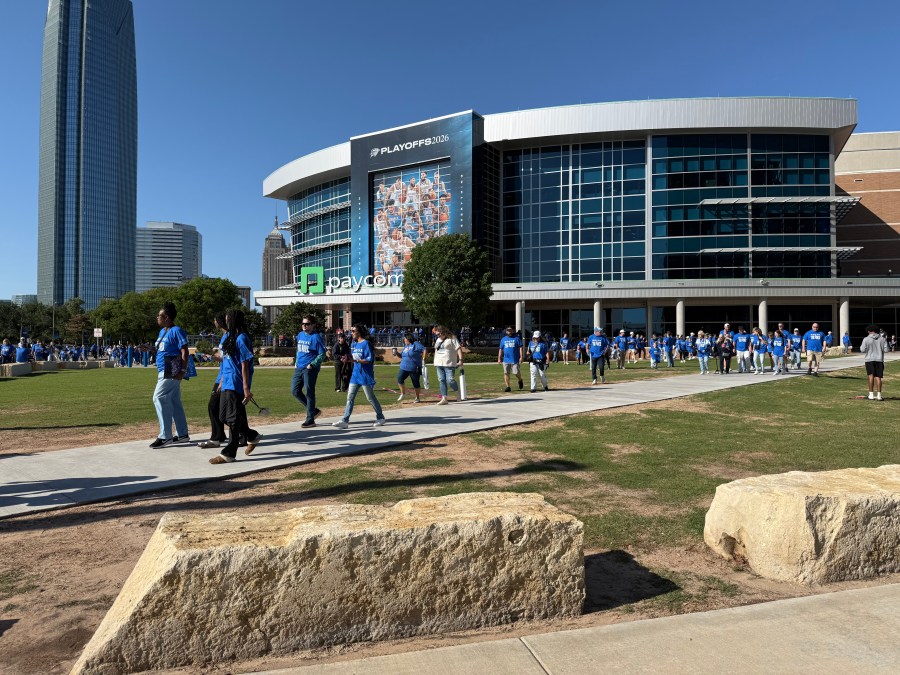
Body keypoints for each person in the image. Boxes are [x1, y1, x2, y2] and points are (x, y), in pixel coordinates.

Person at [209, 309, 261, 464]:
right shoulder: (229, 337)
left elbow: (245, 364)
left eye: (227, 318)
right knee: (223, 416)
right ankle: (252, 435)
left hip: (237, 382)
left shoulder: (242, 338)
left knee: (232, 418)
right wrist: (222, 380)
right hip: (227, 380)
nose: (226, 321)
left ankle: (229, 453)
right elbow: (227, 360)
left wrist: (246, 388)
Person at [150, 302, 190, 448]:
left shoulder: (177, 330)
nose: (157, 318)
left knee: (158, 397)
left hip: (171, 366)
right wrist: (148, 349)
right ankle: (183, 434)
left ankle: (165, 435)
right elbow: (162, 350)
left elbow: (184, 352)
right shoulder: (162, 332)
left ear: (166, 317)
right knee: (174, 401)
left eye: (159, 315)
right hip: (163, 367)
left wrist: (182, 371)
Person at [332, 325, 386, 428]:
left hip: (365, 375)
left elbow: (369, 360)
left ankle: (380, 417)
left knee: (370, 398)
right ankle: (345, 420)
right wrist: (347, 358)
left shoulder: (366, 344)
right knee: (350, 398)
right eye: (351, 331)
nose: (351, 333)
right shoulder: (353, 343)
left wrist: (355, 360)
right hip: (355, 375)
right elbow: (353, 356)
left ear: (359, 332)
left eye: (353, 331)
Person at [198, 314, 229, 450]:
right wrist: (212, 356)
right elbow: (223, 357)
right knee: (217, 407)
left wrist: (223, 379)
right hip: (221, 375)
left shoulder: (229, 337)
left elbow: (228, 360)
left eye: (215, 320)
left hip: (225, 377)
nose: (214, 322)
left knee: (215, 406)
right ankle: (220, 435)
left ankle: (218, 437)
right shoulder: (224, 337)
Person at [292, 315, 327, 428]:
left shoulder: (316, 337)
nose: (304, 326)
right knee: (295, 391)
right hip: (299, 367)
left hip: (310, 369)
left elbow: (322, 354)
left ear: (313, 325)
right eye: (303, 324)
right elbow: (298, 350)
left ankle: (310, 419)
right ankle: (314, 411)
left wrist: (312, 364)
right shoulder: (300, 335)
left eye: (307, 324)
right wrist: (296, 362)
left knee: (309, 392)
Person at [432, 326, 463, 404]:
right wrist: (435, 361)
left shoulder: (452, 338)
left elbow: (458, 348)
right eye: (437, 334)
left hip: (449, 363)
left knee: (450, 380)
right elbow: (436, 350)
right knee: (441, 380)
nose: (437, 336)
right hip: (439, 363)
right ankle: (444, 398)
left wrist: (460, 360)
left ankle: (457, 391)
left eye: (439, 334)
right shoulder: (438, 339)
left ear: (443, 332)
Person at [860, 325, 887, 400]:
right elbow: (886, 350)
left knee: (871, 376)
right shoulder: (882, 339)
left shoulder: (866, 339)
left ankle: (871, 394)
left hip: (869, 359)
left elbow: (862, 350)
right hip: (879, 359)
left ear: (869, 331)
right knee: (878, 377)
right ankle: (879, 395)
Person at [397, 333, 426, 403]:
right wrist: (396, 353)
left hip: (414, 367)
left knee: (415, 383)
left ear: (408, 338)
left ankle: (417, 397)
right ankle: (402, 393)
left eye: (405, 338)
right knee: (399, 379)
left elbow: (424, 349)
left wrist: (424, 359)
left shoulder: (416, 344)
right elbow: (401, 356)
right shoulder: (406, 346)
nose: (404, 339)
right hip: (403, 367)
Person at [497, 327, 524, 392]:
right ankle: (508, 387)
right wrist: (499, 358)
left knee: (516, 372)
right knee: (506, 373)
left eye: (510, 330)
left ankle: (520, 380)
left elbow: (520, 348)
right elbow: (501, 349)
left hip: (514, 359)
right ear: (506, 331)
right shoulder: (503, 339)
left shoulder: (517, 338)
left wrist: (521, 357)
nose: (509, 332)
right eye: (508, 331)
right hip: (506, 360)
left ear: (512, 331)